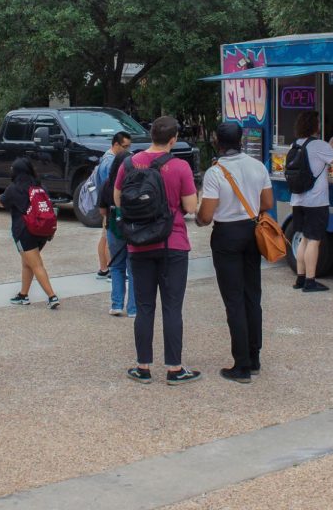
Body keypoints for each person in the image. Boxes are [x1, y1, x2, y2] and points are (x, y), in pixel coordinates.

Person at [114, 115, 200, 385]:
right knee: (172, 307)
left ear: (151, 136)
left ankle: (143, 367)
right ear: (173, 140)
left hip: (138, 245)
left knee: (144, 307)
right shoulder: (180, 167)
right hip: (172, 244)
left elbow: (118, 200)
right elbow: (190, 207)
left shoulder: (129, 163)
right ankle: (174, 368)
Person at [196, 122, 274, 383]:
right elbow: (267, 203)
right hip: (252, 231)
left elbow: (206, 216)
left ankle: (240, 365)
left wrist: (196, 217)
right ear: (240, 139)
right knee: (252, 295)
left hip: (227, 234)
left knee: (233, 299)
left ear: (218, 141)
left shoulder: (215, 172)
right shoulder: (257, 166)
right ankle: (254, 357)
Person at [290, 110, 333, 292]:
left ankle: (300, 278)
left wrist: (331, 144)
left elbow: (320, 155)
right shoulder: (319, 145)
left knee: (304, 239)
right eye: (318, 122)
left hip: (298, 200)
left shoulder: (296, 144)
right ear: (314, 125)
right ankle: (310, 281)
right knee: (314, 240)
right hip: (316, 202)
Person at [0, 158, 60, 309]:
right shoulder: (40, 186)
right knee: (27, 264)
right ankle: (23, 295)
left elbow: (2, 203)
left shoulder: (13, 188)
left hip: (24, 232)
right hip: (42, 231)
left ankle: (52, 296)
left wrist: (0, 199)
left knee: (36, 264)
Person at [97, 132, 135, 316]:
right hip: (134, 229)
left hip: (114, 227)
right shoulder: (136, 183)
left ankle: (117, 304)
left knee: (117, 266)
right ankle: (134, 308)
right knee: (133, 268)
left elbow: (102, 211)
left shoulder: (107, 184)